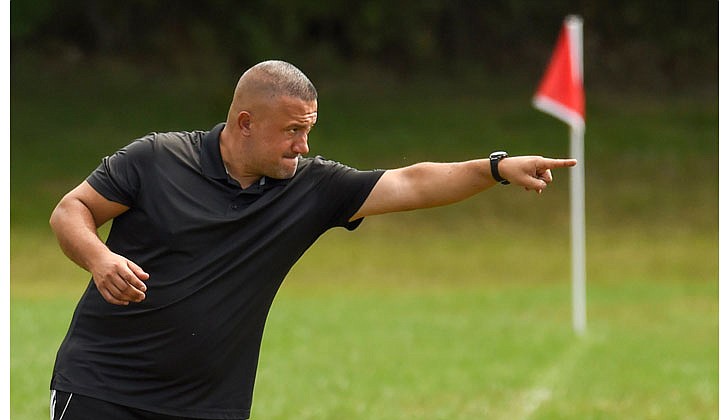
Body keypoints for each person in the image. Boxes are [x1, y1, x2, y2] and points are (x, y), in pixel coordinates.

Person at [48, 60, 577, 420]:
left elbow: (411, 181)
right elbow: (72, 209)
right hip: (103, 388)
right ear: (246, 122)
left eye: (309, 130)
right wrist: (100, 258)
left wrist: (496, 168)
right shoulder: (158, 158)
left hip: (206, 404)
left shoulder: (309, 188)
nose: (304, 145)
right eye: (292, 131)